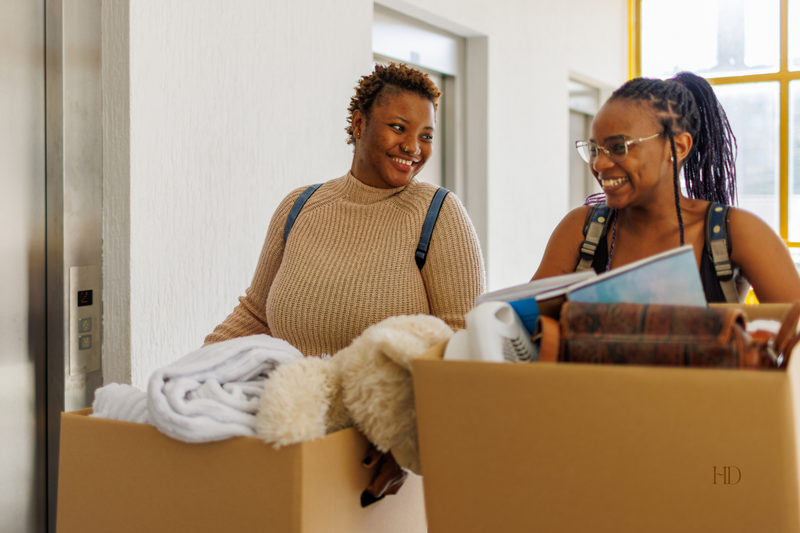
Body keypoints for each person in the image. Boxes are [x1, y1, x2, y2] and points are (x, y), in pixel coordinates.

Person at [205, 63, 485, 502]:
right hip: (290, 438)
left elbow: (463, 339)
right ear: (359, 123)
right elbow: (256, 313)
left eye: (426, 135)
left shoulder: (439, 213)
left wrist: (415, 442)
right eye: (398, 128)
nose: (413, 147)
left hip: (383, 460)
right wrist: (192, 376)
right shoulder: (299, 207)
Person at [533, 72, 800, 303]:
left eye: (618, 147)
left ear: (679, 147)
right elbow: (521, 331)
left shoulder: (738, 234)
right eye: (594, 149)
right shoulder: (581, 231)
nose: (599, 163)